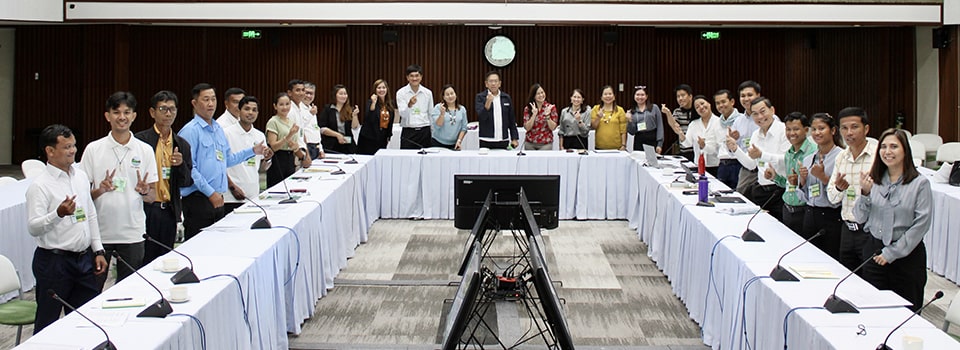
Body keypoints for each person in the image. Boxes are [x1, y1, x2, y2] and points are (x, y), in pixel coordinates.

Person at [27, 124, 108, 333]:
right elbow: (33, 227)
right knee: (48, 323)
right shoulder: (40, 186)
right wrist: (58, 214)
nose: (73, 151)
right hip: (54, 263)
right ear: (50, 151)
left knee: (87, 320)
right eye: (67, 147)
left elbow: (90, 214)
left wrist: (98, 250)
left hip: (83, 260)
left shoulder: (80, 176)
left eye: (73, 145)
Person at [80, 91, 157, 289]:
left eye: (126, 112)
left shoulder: (145, 150)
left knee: (128, 290)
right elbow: (83, 198)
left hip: (132, 233)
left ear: (134, 116)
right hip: (99, 234)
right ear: (108, 116)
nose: (121, 117)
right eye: (116, 112)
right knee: (91, 290)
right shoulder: (93, 149)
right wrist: (100, 190)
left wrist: (144, 190)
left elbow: (152, 197)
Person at [179, 83, 268, 241]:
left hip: (217, 198)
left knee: (217, 245)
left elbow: (227, 159)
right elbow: (190, 168)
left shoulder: (218, 129)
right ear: (194, 103)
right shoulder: (190, 131)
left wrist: (252, 151)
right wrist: (210, 193)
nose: (211, 104)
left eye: (213, 99)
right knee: (198, 245)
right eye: (206, 99)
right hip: (199, 198)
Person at [855, 129, 932, 311]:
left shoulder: (920, 184)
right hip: (874, 253)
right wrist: (865, 194)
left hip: (907, 256)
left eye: (894, 147)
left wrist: (892, 253)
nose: (887, 151)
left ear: (905, 150)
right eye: (883, 147)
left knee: (905, 314)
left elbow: (921, 224)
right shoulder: (873, 179)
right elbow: (859, 217)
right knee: (874, 311)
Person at [135, 90, 193, 267]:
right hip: (146, 209)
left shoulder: (181, 144)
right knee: (145, 260)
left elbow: (187, 181)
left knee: (165, 260)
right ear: (152, 112)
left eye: (172, 109)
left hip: (168, 210)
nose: (168, 113)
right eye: (163, 109)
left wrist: (180, 165)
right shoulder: (141, 141)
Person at [827, 107, 877, 273]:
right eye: (844, 128)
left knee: (871, 281)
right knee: (848, 281)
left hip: (871, 232)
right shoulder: (841, 156)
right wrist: (839, 189)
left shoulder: (878, 154)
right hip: (847, 230)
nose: (849, 133)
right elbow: (832, 198)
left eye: (854, 127)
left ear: (866, 129)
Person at [730, 97, 790, 221]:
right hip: (762, 190)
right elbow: (751, 165)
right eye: (755, 114)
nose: (760, 117)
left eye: (763, 111)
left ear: (772, 110)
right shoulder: (755, 135)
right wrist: (735, 149)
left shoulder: (784, 130)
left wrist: (762, 155)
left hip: (781, 190)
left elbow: (787, 160)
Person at [795, 113, 845, 260]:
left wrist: (823, 177)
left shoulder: (841, 157)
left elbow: (842, 192)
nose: (817, 133)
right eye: (814, 129)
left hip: (831, 216)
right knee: (810, 259)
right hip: (810, 214)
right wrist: (802, 181)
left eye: (821, 128)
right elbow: (802, 196)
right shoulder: (808, 158)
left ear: (833, 131)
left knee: (830, 260)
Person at [765, 112, 816, 234]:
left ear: (806, 130)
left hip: (804, 210)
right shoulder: (789, 153)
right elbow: (788, 184)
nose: (791, 133)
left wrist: (801, 181)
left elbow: (815, 187)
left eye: (796, 129)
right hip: (787, 208)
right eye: (788, 129)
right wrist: (775, 177)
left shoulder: (813, 152)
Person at [224, 96, 274, 211]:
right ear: (239, 111)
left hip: (253, 194)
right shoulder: (227, 133)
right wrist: (232, 187)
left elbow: (261, 169)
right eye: (247, 109)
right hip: (231, 196)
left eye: (254, 110)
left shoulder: (259, 135)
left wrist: (267, 159)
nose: (250, 113)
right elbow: (220, 165)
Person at [714, 89, 754, 190]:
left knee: (739, 195)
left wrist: (736, 140)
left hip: (738, 164)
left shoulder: (741, 120)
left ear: (732, 102)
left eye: (723, 102)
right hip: (723, 164)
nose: (721, 105)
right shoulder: (717, 122)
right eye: (718, 103)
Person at [266, 92, 307, 188]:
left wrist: (297, 149)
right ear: (275, 106)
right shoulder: (273, 121)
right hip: (277, 159)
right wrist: (289, 136)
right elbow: (273, 147)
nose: (285, 107)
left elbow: (294, 144)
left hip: (290, 159)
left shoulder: (291, 122)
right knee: (277, 189)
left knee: (289, 188)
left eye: (287, 104)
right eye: (281, 104)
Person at [733, 81, 764, 199]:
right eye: (742, 96)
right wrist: (732, 141)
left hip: (764, 169)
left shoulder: (770, 119)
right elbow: (732, 151)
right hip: (746, 170)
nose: (746, 99)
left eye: (749, 95)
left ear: (758, 96)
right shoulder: (738, 121)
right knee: (741, 200)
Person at [476, 71, 519, 150]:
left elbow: (511, 119)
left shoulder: (506, 97)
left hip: (503, 140)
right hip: (486, 140)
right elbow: (482, 117)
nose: (493, 84)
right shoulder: (480, 97)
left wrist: (514, 138)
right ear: (486, 83)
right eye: (491, 81)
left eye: (495, 81)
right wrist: (488, 102)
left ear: (499, 83)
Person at [397, 64, 434, 149]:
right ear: (407, 77)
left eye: (417, 76)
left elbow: (430, 114)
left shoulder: (428, 93)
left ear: (421, 77)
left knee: (425, 160)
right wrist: (409, 105)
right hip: (408, 132)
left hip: (424, 131)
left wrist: (432, 133)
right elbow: (403, 115)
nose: (414, 79)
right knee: (407, 160)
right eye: (412, 76)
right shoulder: (401, 93)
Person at [358, 79, 396, 155]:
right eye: (379, 88)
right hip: (369, 139)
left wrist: (389, 135)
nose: (381, 90)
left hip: (382, 138)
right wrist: (373, 103)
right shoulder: (371, 103)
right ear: (375, 90)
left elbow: (390, 122)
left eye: (383, 87)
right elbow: (369, 118)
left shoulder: (390, 104)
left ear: (387, 89)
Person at [318, 84, 360, 154]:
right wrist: (337, 135)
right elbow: (322, 128)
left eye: (345, 94)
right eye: (341, 94)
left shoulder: (349, 109)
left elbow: (354, 128)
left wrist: (355, 115)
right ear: (335, 95)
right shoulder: (328, 109)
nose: (343, 96)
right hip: (331, 145)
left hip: (347, 144)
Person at [429, 84, 468, 150]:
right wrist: (442, 114)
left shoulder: (462, 109)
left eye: (452, 93)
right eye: (447, 94)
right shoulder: (438, 107)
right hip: (438, 143)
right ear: (443, 97)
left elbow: (464, 128)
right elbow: (437, 125)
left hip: (454, 144)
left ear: (455, 94)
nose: (450, 96)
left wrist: (459, 141)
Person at [662, 84, 695, 160]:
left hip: (697, 149)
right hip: (684, 150)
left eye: (683, 95)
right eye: (678, 96)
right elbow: (674, 126)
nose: (680, 98)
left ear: (690, 96)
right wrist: (668, 113)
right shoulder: (677, 111)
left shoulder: (697, 109)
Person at [626, 85, 663, 153]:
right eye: (637, 95)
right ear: (634, 96)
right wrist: (630, 120)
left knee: (652, 162)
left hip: (652, 138)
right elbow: (632, 132)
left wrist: (659, 144)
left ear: (646, 96)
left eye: (642, 95)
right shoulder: (631, 111)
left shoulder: (654, 108)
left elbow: (660, 126)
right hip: (639, 139)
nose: (640, 97)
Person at [522, 83, 558, 150]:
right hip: (530, 143)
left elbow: (553, 128)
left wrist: (547, 116)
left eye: (542, 92)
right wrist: (534, 115)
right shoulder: (528, 108)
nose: (541, 95)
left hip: (546, 143)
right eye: (538, 94)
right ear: (534, 96)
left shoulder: (551, 107)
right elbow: (527, 128)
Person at [591, 85, 627, 151]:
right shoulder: (596, 109)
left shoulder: (620, 110)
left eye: (610, 94)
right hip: (600, 147)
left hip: (617, 148)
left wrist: (623, 145)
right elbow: (593, 127)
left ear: (614, 96)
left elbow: (623, 130)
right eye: (605, 94)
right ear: (601, 97)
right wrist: (598, 117)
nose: (608, 96)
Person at [300, 81, 325, 160]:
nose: (309, 96)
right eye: (306, 93)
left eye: (312, 94)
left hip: (316, 147)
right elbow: (299, 127)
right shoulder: (297, 108)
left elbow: (316, 128)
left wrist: (321, 148)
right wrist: (310, 114)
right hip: (305, 147)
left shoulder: (312, 108)